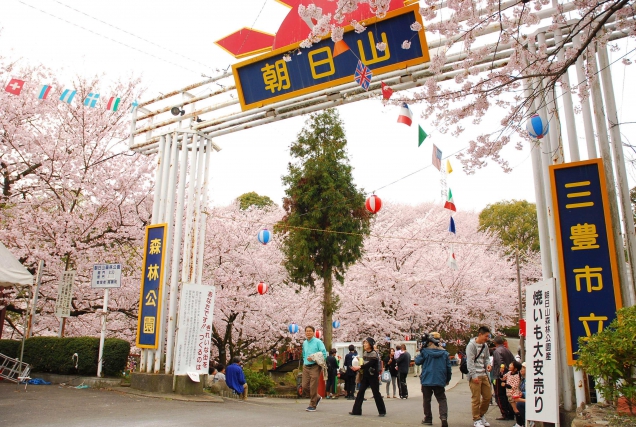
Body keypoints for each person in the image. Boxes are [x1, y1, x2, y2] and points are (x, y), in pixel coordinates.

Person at [415, 332, 452, 427]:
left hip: (427, 379)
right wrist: (447, 379)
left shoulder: (425, 352)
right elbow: (448, 368)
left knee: (427, 399)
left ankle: (428, 418)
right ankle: (443, 417)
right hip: (439, 379)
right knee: (442, 399)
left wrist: (421, 351)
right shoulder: (444, 353)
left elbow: (417, 362)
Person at [349, 337, 386, 417]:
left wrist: (359, 367)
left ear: (370, 344)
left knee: (376, 393)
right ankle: (356, 411)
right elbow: (364, 363)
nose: (364, 344)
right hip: (365, 376)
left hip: (373, 376)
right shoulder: (365, 353)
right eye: (364, 343)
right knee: (360, 392)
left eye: (366, 343)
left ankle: (382, 411)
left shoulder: (374, 353)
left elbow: (369, 364)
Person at [467, 326, 493, 427]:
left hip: (484, 374)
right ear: (480, 334)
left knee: (487, 397)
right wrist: (473, 375)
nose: (487, 338)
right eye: (486, 336)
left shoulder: (485, 346)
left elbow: (486, 358)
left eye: (488, 336)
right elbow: (470, 362)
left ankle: (481, 415)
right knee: (476, 399)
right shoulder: (471, 345)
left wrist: (488, 364)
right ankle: (476, 419)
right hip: (475, 376)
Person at [302, 325, 327, 412]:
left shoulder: (318, 342)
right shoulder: (304, 343)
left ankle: (312, 405)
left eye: (310, 331)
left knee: (313, 386)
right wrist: (304, 360)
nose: (308, 332)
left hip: (315, 366)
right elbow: (304, 354)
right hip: (306, 366)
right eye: (307, 331)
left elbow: (324, 354)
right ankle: (317, 397)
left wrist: (313, 357)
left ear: (313, 332)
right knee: (304, 386)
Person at [492, 336, 516, 420]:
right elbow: (514, 361)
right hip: (508, 375)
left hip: (499, 376)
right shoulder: (507, 350)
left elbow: (500, 363)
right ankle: (511, 412)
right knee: (507, 395)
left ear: (495, 342)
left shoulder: (497, 351)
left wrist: (501, 373)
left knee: (499, 395)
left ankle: (505, 413)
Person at [502, 360, 523, 427]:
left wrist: (505, 385)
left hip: (514, 395)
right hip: (509, 394)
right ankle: (519, 423)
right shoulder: (509, 373)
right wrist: (501, 372)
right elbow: (503, 378)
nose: (510, 365)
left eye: (511, 364)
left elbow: (514, 386)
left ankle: (520, 423)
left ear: (515, 368)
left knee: (516, 409)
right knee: (514, 409)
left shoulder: (517, 375)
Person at [513, 362, 527, 427]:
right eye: (521, 368)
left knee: (519, 404)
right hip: (524, 398)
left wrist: (522, 394)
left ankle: (524, 423)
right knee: (513, 401)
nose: (521, 369)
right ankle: (519, 423)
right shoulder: (522, 379)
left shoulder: (529, 380)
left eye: (524, 368)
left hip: (528, 399)